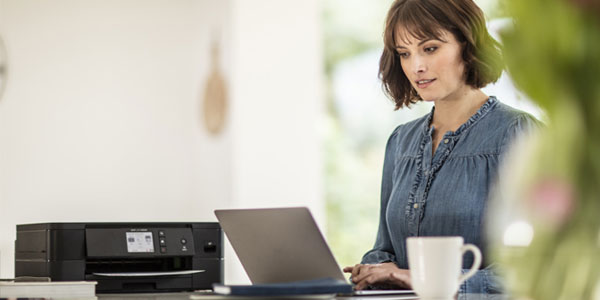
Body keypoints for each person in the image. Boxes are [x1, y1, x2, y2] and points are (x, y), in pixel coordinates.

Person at [342, 0, 538, 294]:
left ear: (468, 45)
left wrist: (424, 278)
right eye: (404, 54)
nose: (416, 66)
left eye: (430, 48)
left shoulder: (517, 133)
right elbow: (385, 249)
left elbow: (532, 267)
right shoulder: (400, 141)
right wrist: (374, 269)